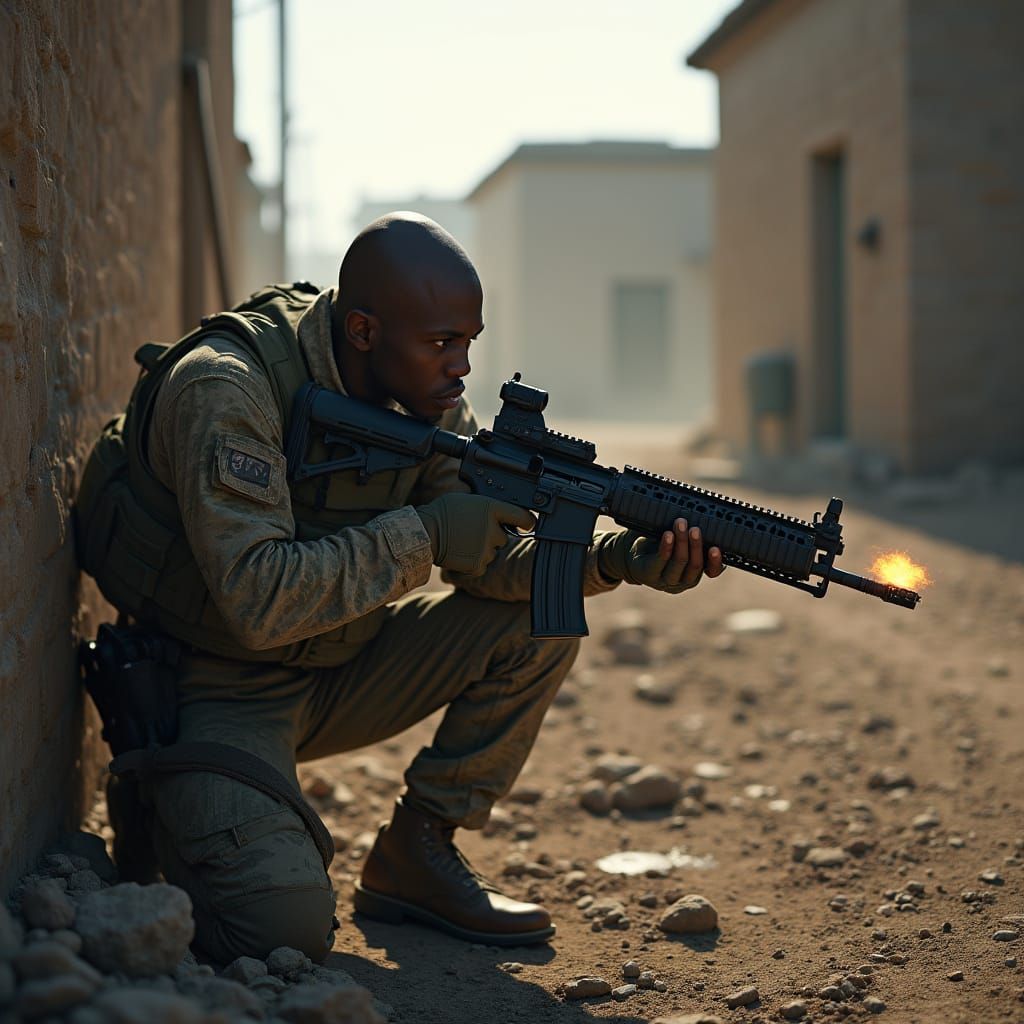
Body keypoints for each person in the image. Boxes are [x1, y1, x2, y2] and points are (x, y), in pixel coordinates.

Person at [76, 213, 724, 964]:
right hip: (217, 684)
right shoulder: (229, 387)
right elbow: (256, 601)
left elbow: (491, 567)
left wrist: (621, 558)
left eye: (469, 343)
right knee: (279, 926)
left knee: (540, 622)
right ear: (362, 331)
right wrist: (427, 533)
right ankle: (161, 796)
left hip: (343, 663)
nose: (461, 369)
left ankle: (415, 854)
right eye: (442, 343)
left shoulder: (429, 398)